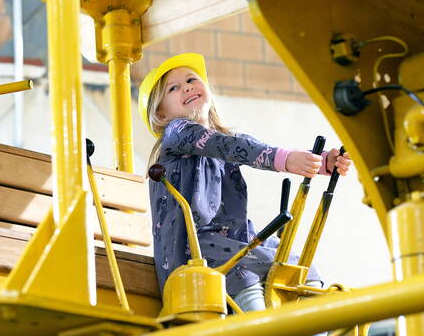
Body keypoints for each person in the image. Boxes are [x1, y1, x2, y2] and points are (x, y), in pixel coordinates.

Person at [138, 53, 351, 313]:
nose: (187, 87)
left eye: (192, 79)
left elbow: (250, 148)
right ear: (161, 115)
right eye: (174, 88)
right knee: (242, 268)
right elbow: (233, 147)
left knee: (295, 264)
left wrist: (319, 162)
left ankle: (311, 333)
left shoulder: (225, 141)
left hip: (235, 240)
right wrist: (286, 160)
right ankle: (257, 323)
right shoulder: (176, 133)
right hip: (192, 250)